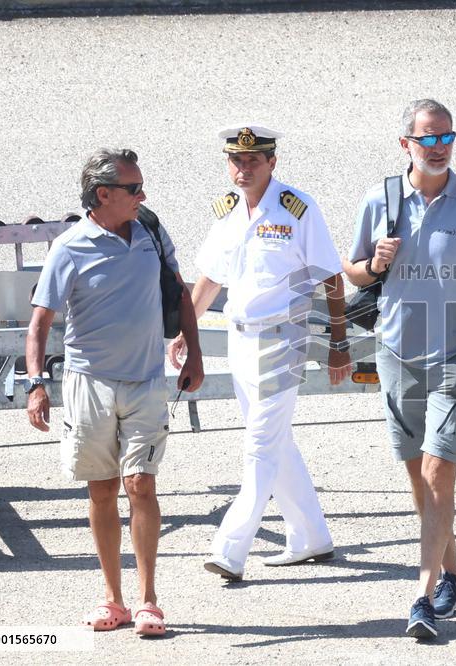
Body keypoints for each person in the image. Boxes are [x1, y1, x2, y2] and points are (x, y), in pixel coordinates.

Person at [345, 99, 456, 639]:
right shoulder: (381, 200)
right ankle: (454, 576)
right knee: (420, 475)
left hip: (454, 359)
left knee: (441, 471)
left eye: (446, 137)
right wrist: (375, 263)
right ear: (406, 145)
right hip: (395, 355)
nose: (439, 147)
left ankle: (422, 597)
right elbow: (352, 270)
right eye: (428, 139)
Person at [26, 148, 204, 636]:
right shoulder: (69, 246)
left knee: (140, 485)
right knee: (102, 489)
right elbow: (40, 322)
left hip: (147, 380)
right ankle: (113, 599)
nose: (142, 196)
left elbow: (180, 290)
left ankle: (148, 601)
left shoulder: (149, 230)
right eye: (132, 189)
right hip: (89, 384)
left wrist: (195, 351)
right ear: (103, 194)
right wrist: (37, 384)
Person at [168, 124, 352, 582]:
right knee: (274, 441)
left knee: (259, 448)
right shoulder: (228, 212)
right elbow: (209, 278)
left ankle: (230, 551)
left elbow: (331, 276)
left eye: (253, 160)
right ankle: (311, 536)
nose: (243, 168)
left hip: (282, 338)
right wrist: (185, 333)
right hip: (240, 339)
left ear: (272, 162)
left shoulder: (297, 208)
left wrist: (339, 342)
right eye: (236, 160)